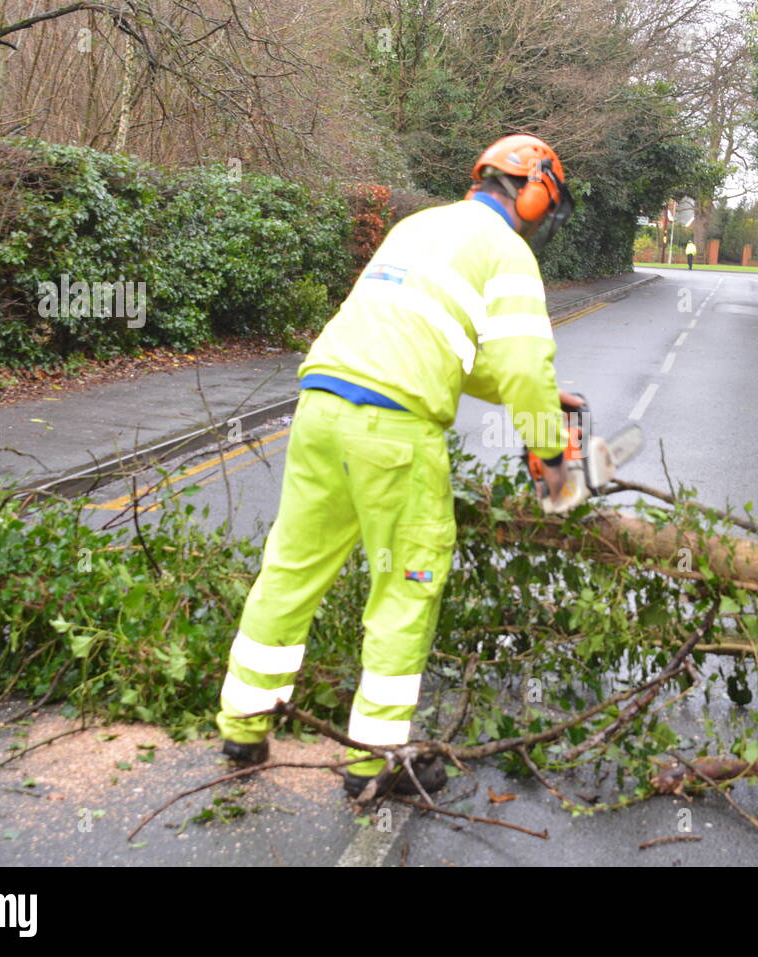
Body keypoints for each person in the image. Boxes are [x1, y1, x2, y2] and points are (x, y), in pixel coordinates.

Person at [214, 133, 580, 799]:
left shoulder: (420, 225)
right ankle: (376, 762)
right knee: (405, 587)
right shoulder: (508, 253)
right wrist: (553, 461)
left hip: (320, 407)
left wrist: (525, 397)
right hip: (394, 432)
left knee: (291, 569)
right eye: (545, 207)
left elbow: (429, 340)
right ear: (532, 193)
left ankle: (243, 724)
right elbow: (524, 363)